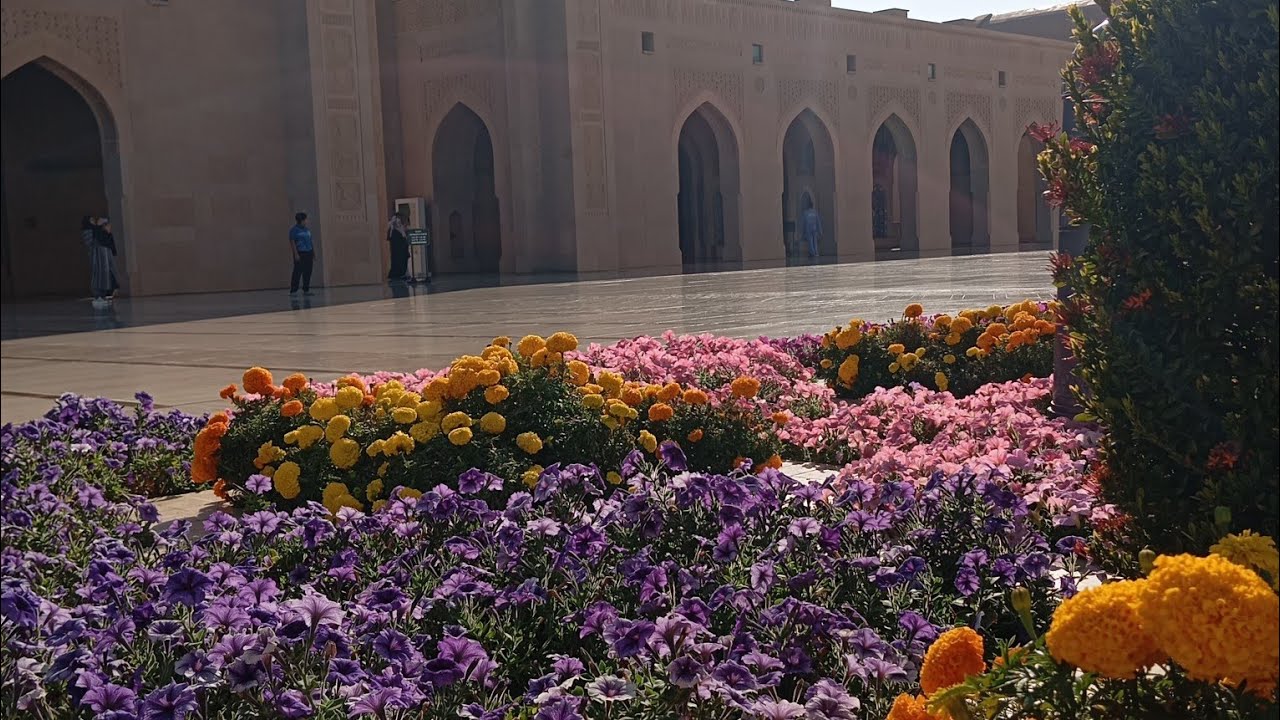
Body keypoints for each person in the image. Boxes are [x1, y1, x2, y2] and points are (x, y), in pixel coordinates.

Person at [289, 212, 314, 295]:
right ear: (301, 220)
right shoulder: (294, 230)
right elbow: (292, 242)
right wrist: (296, 254)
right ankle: (293, 290)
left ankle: (306, 289)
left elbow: (310, 240)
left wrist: (313, 252)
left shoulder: (306, 229)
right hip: (300, 253)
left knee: (308, 271)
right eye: (305, 220)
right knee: (297, 272)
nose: (306, 221)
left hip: (309, 252)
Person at [386, 211, 409, 281]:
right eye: (396, 219)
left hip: (403, 248)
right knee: (395, 262)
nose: (397, 221)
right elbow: (389, 237)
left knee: (403, 261)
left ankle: (403, 274)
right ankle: (394, 275)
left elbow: (405, 237)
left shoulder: (403, 228)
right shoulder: (392, 229)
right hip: (395, 250)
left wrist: (402, 230)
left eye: (398, 219)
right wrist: (391, 226)